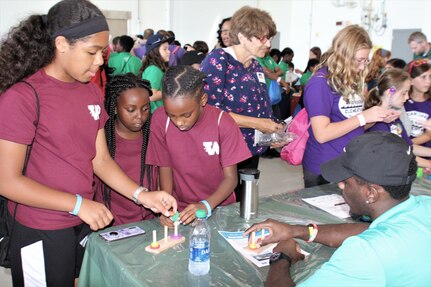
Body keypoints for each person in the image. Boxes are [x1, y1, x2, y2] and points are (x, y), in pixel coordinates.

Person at [0, 1, 177, 285]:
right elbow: (7, 181)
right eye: (92, 52)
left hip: (82, 222)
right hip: (41, 227)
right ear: (61, 44)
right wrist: (78, 204)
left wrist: (143, 194)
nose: (99, 62)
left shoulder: (91, 93)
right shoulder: (23, 97)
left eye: (103, 53)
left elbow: (100, 159)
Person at [245, 131, 431, 287]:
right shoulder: (424, 204)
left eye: (345, 181)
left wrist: (281, 258)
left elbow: (369, 241)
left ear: (371, 193)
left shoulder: (365, 253)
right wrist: (296, 230)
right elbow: (370, 229)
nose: (340, 186)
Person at [146, 66, 251, 227]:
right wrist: (166, 207)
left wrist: (206, 205)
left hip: (219, 207)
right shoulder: (160, 120)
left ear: (203, 100)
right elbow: (165, 167)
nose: (179, 122)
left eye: (186, 115)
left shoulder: (222, 123)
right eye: (171, 114)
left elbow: (231, 178)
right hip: (180, 209)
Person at [200, 6, 285, 200]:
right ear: (243, 36)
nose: (269, 43)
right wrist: (259, 124)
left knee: (245, 200)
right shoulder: (218, 60)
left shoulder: (255, 65)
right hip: (224, 150)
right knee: (224, 201)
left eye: (270, 38)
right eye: (263, 38)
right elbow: (210, 111)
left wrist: (273, 129)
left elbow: (262, 106)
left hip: (250, 148)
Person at [302, 25, 397, 187]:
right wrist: (363, 116)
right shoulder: (320, 83)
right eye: (359, 60)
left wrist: (376, 117)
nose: (362, 66)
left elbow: (355, 125)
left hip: (351, 163)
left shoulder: (350, 80)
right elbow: (322, 134)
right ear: (343, 55)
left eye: (366, 60)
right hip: (325, 166)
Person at [94, 73, 158, 225]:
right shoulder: (102, 139)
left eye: (145, 109)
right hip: (111, 226)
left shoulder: (154, 136)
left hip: (149, 224)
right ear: (115, 108)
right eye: (131, 110)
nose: (139, 116)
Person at [366, 68, 431, 167]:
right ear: (390, 92)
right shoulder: (377, 122)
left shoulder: (394, 117)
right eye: (404, 93)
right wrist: (428, 163)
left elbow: (409, 146)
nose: (407, 97)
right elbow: (398, 155)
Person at [140, 33, 172, 113]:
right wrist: (172, 91)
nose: (169, 52)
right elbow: (152, 95)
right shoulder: (154, 70)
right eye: (165, 49)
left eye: (168, 48)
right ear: (155, 51)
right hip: (155, 112)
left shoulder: (155, 68)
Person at [405, 59, 431, 148]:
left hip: (425, 152)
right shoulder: (402, 101)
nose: (428, 81)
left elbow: (428, 135)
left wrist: (405, 144)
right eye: (423, 77)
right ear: (411, 81)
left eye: (430, 77)